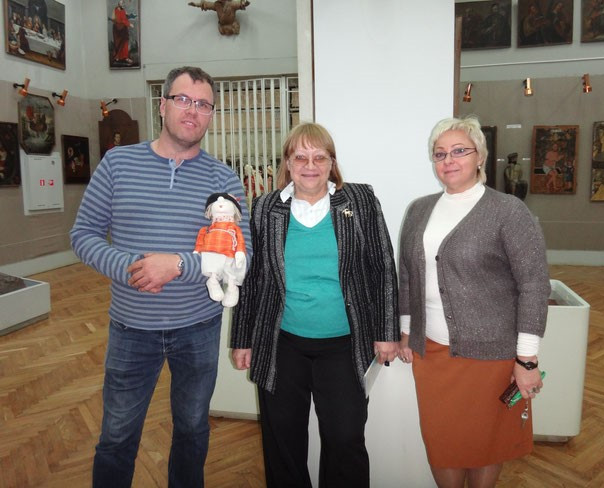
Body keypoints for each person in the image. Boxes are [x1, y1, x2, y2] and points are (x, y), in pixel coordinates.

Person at [70, 66, 252, 488]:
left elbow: (243, 254)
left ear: (211, 114)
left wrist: (178, 265)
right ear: (163, 104)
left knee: (192, 431)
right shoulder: (118, 163)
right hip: (131, 328)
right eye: (183, 99)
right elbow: (83, 235)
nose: (193, 111)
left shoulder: (224, 179)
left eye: (203, 104)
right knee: (117, 437)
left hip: (198, 328)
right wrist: (135, 268)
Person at [230, 122, 400, 487]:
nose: (310, 165)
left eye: (319, 157)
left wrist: (387, 332)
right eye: (300, 157)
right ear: (288, 163)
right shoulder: (266, 208)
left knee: (345, 439)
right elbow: (252, 276)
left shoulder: (359, 199)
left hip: (344, 343)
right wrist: (243, 339)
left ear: (331, 163)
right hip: (281, 343)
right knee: (283, 442)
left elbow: (382, 266)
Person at [398, 116, 550, 488]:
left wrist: (526, 359)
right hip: (432, 353)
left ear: (479, 156)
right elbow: (406, 276)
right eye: (440, 154)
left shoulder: (508, 211)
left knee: (486, 443)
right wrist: (405, 331)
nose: (448, 160)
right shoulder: (419, 210)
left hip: (491, 355)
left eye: (459, 151)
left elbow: (533, 285)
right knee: (441, 443)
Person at [111, 0, 133, 65]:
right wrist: (129, 24)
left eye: (123, 3)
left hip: (122, 29)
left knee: (123, 43)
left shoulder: (122, 10)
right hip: (118, 29)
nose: (123, 4)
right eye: (121, 3)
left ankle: (124, 57)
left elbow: (124, 19)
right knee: (119, 43)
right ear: (118, 4)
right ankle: (118, 57)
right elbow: (119, 19)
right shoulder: (116, 10)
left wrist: (127, 16)